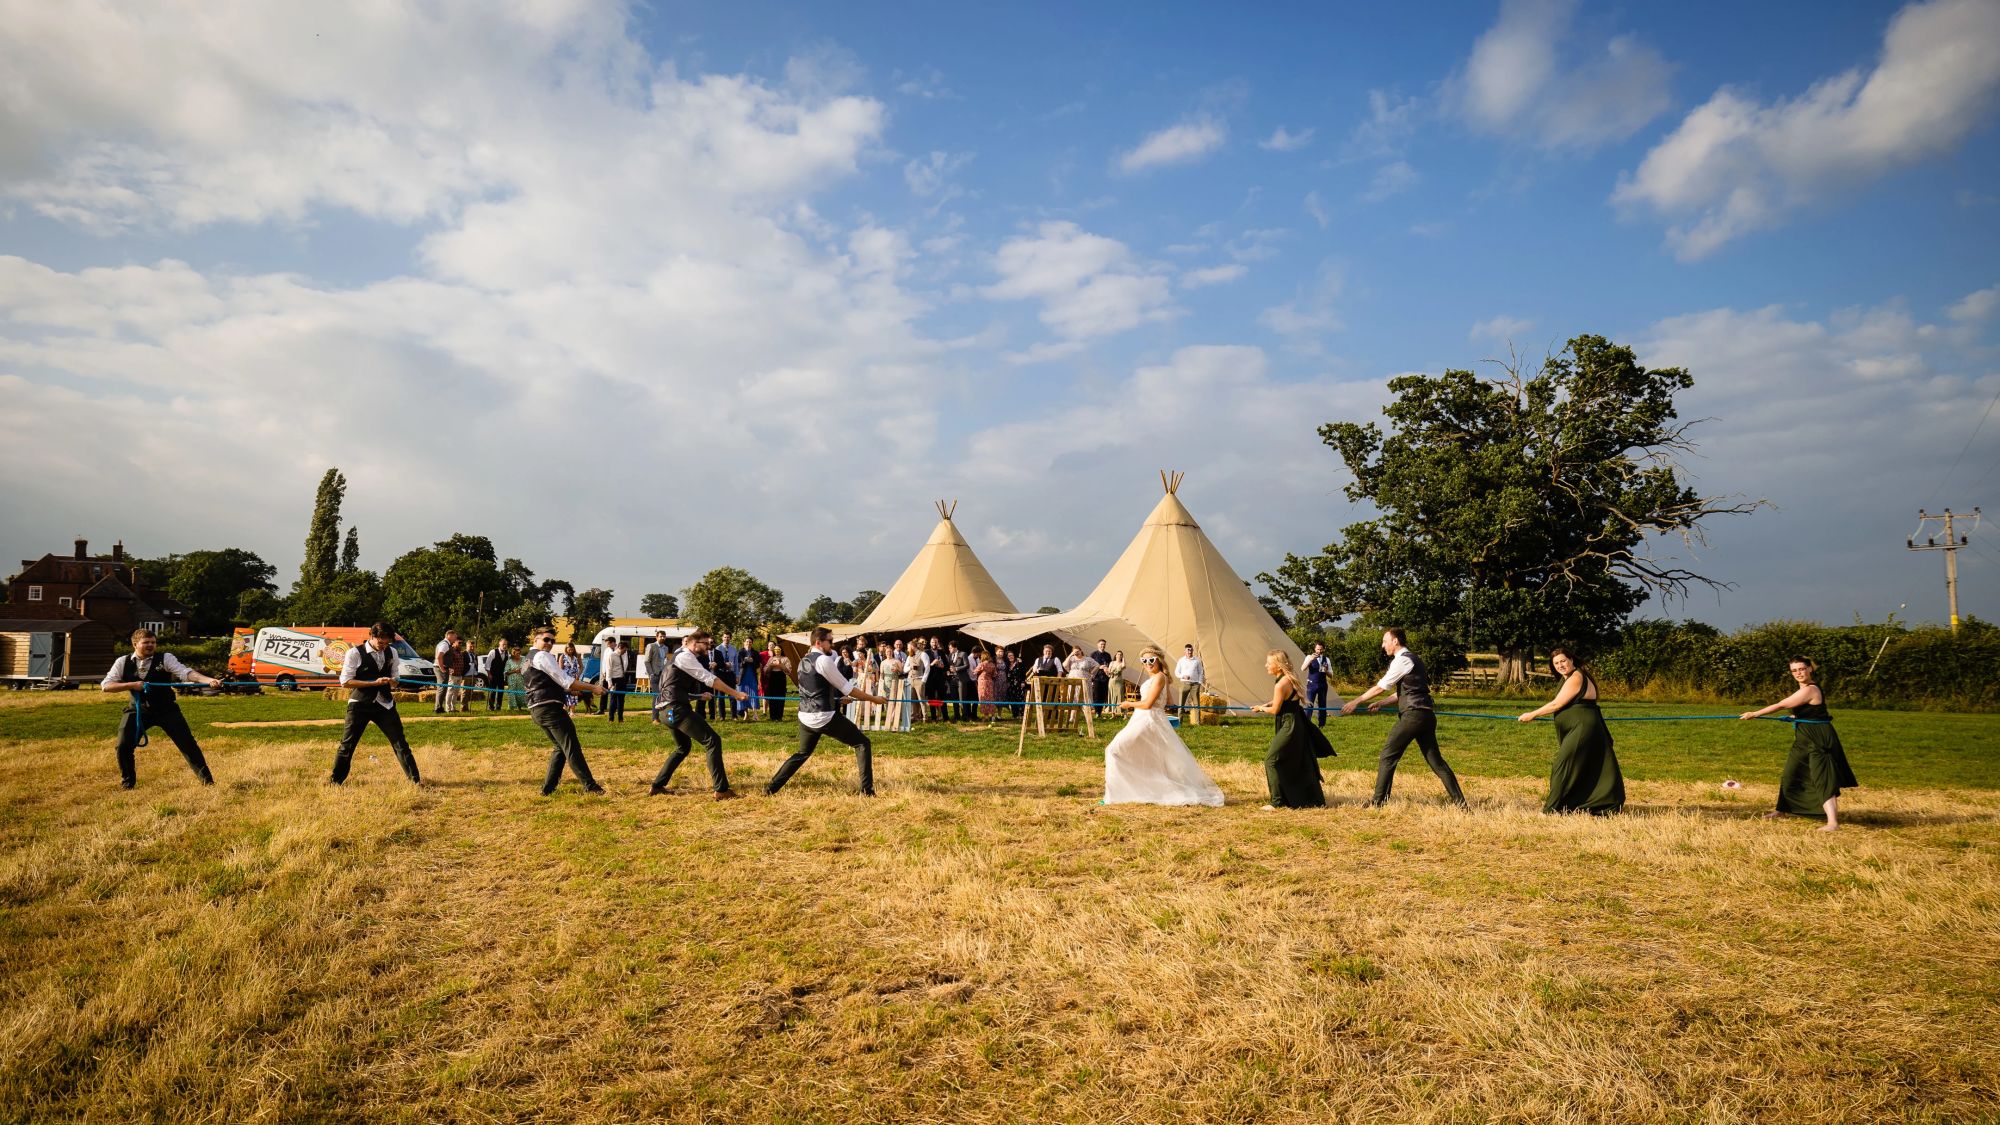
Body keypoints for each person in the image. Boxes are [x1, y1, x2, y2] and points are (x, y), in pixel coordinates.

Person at [1341, 628, 1468, 809]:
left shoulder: (1401, 660)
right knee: (1437, 762)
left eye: (1385, 641)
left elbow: (1381, 686)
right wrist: (1382, 703)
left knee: (1388, 755)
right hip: (1426, 715)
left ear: (1395, 641)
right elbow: (1406, 691)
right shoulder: (1414, 659)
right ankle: (1462, 805)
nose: (1382, 645)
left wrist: (1357, 701)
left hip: (1413, 716)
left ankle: (1378, 802)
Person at [767, 626, 889, 797]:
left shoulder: (803, 661)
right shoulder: (823, 661)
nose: (832, 644)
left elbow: (814, 689)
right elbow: (848, 688)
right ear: (819, 642)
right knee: (862, 743)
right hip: (823, 716)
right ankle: (867, 791)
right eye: (830, 641)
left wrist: (837, 699)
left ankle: (770, 788)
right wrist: (874, 699)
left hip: (805, 716)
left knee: (802, 754)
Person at [1741, 656, 1858, 831]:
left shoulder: (1811, 689)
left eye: (1802, 669)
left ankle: (1833, 823)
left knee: (1822, 777)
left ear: (1810, 669)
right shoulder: (1804, 690)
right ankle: (1782, 810)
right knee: (1790, 773)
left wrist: (1755, 713)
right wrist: (1794, 717)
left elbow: (1782, 704)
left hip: (1819, 738)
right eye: (1794, 670)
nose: (1798, 673)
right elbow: (1812, 711)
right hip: (1804, 737)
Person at [1103, 647, 1225, 806]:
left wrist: (1128, 704)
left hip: (1148, 719)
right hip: (1143, 718)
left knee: (1114, 749)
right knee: (1145, 756)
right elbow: (1168, 702)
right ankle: (1130, 790)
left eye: (1151, 660)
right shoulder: (1157, 678)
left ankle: (1116, 794)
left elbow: (1147, 704)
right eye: (1144, 661)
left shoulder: (1160, 677)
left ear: (1159, 660)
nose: (1148, 663)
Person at [101, 627, 222, 789]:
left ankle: (208, 783)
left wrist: (208, 680)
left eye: (153, 642)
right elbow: (106, 686)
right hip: (138, 710)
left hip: (167, 710)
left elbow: (186, 673)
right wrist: (132, 685)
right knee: (123, 746)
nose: (151, 645)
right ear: (135, 644)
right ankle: (128, 785)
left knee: (188, 744)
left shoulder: (165, 658)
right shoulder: (122, 662)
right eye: (146, 642)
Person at [1517, 646, 1625, 815]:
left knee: (1563, 766)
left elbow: (1556, 704)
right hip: (1580, 728)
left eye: (1563, 661)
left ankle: (1552, 809)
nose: (1560, 665)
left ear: (1571, 660)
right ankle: (1578, 803)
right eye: (1556, 663)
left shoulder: (1576, 677)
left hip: (1583, 729)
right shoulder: (1569, 677)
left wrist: (1532, 714)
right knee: (1582, 766)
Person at [649, 629, 748, 799]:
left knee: (683, 748)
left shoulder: (678, 658)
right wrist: (736, 694)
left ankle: (657, 786)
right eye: (707, 643)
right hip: (677, 710)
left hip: (666, 712)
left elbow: (672, 688)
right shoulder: (686, 657)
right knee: (712, 741)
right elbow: (710, 679)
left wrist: (698, 696)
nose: (709, 647)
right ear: (695, 644)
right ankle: (722, 790)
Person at [331, 621, 424, 786]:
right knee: (347, 745)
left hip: (385, 704)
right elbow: (345, 682)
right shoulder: (355, 653)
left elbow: (396, 677)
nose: (384, 646)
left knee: (400, 743)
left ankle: (415, 781)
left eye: (387, 643)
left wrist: (394, 682)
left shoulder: (392, 652)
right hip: (360, 704)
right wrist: (374, 683)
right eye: (381, 642)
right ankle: (335, 782)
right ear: (371, 637)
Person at [524, 627, 609, 795]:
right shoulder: (542, 656)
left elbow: (547, 681)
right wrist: (593, 687)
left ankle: (548, 789)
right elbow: (566, 680)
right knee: (572, 747)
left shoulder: (528, 658)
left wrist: (569, 690)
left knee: (560, 748)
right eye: (546, 640)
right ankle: (590, 786)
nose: (549, 644)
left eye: (552, 641)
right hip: (549, 708)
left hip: (537, 709)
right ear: (536, 640)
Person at [1249, 649, 1332, 809]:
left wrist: (1261, 708)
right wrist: (1267, 703)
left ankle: (1276, 802)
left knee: (1271, 760)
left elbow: (1275, 710)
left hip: (1290, 724)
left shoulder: (1281, 684)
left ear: (1278, 665)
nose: (1266, 665)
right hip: (1296, 721)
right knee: (1295, 759)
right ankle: (1300, 797)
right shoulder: (1288, 678)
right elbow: (1281, 701)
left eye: (1269, 663)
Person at [645, 630, 672, 725]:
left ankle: (666, 717)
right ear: (656, 637)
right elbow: (647, 661)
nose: (663, 638)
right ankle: (655, 718)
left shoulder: (666, 648)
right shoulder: (651, 646)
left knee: (665, 696)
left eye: (664, 636)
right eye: (661, 636)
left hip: (663, 675)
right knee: (656, 696)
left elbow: (664, 660)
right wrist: (651, 674)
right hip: (655, 675)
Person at [1303, 642, 1333, 727]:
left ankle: (1322, 725)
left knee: (1322, 705)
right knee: (1309, 705)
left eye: (1321, 649)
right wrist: (1311, 660)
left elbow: (1331, 675)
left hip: (1323, 685)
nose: (1319, 651)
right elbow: (1303, 668)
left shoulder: (1326, 659)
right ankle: (1306, 724)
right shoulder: (1309, 657)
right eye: (1317, 649)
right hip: (1311, 685)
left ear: (1324, 649)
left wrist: (1326, 671)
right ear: (1314, 649)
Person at [1173, 643, 1205, 721]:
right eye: (1188, 650)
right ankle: (1179, 722)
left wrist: (1199, 683)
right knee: (1181, 703)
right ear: (1185, 651)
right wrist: (1182, 676)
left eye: (1191, 650)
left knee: (1196, 704)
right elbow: (1176, 672)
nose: (1189, 651)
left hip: (1195, 685)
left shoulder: (1197, 660)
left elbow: (1201, 672)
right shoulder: (1181, 660)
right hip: (1184, 683)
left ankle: (1197, 722)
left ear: (1193, 650)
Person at [763, 646, 792, 723]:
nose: (777, 651)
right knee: (772, 697)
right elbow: (765, 671)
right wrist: (771, 665)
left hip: (781, 678)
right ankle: (772, 716)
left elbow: (788, 671)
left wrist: (780, 664)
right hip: (772, 678)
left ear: (781, 650)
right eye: (775, 649)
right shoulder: (771, 659)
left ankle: (779, 717)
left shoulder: (785, 658)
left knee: (780, 697)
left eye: (778, 649)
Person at [432, 628, 458, 713]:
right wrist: (442, 668)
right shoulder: (445, 644)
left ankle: (438, 707)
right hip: (440, 668)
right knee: (442, 688)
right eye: (454, 637)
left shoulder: (444, 644)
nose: (455, 639)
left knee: (441, 688)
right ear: (449, 636)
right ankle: (438, 708)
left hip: (440, 667)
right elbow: (439, 656)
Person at [974, 648, 1004, 719]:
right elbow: (995, 674)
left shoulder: (982, 664)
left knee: (983, 698)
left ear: (983, 656)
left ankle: (985, 716)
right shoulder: (992, 665)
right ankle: (993, 715)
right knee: (990, 698)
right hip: (990, 682)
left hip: (982, 682)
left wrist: (979, 672)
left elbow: (974, 672)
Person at [484, 636, 512, 711]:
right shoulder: (493, 652)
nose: (505, 646)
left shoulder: (507, 653)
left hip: (501, 676)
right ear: (499, 644)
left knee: (501, 691)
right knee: (492, 691)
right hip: (493, 675)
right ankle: (491, 707)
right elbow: (487, 664)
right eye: (503, 644)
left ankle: (498, 707)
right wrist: (489, 674)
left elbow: (507, 665)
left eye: (506, 644)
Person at [1089, 639, 1113, 715]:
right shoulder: (1093, 654)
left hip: (1105, 678)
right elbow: (1090, 666)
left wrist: (1108, 669)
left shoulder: (1108, 655)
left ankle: (1099, 712)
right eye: (1101, 644)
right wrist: (1099, 667)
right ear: (1098, 645)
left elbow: (1110, 665)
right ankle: (1097, 711)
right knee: (1096, 694)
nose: (1102, 646)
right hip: (1096, 677)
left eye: (1104, 644)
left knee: (1103, 694)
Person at [558, 643, 584, 713]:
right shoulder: (562, 656)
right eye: (569, 649)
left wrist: (578, 674)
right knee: (566, 693)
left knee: (574, 693)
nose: (570, 651)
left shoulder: (577, 656)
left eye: (572, 649)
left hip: (575, 678)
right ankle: (564, 711)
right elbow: (560, 669)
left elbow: (581, 666)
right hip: (566, 678)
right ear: (566, 649)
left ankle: (572, 711)